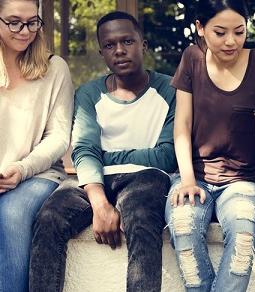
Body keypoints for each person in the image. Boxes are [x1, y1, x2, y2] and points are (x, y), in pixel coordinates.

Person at [29, 11, 176, 292]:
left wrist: (104, 156)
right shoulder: (88, 94)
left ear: (143, 45)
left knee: (142, 217)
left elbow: (166, 156)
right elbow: (84, 150)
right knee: (48, 218)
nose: (119, 50)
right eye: (109, 45)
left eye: (127, 41)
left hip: (146, 179)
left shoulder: (170, 90)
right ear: (101, 52)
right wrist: (100, 204)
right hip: (93, 182)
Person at [164, 0, 255, 291]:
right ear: (201, 28)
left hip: (241, 181)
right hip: (194, 175)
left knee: (243, 237)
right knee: (183, 228)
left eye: (239, 32)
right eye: (220, 32)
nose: (231, 41)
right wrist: (187, 179)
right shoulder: (191, 58)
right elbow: (182, 126)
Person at [0, 0, 73, 291]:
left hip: (37, 173)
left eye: (33, 22)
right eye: (14, 22)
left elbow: (59, 137)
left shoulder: (55, 68)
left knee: (12, 213)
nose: (25, 31)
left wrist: (22, 168)